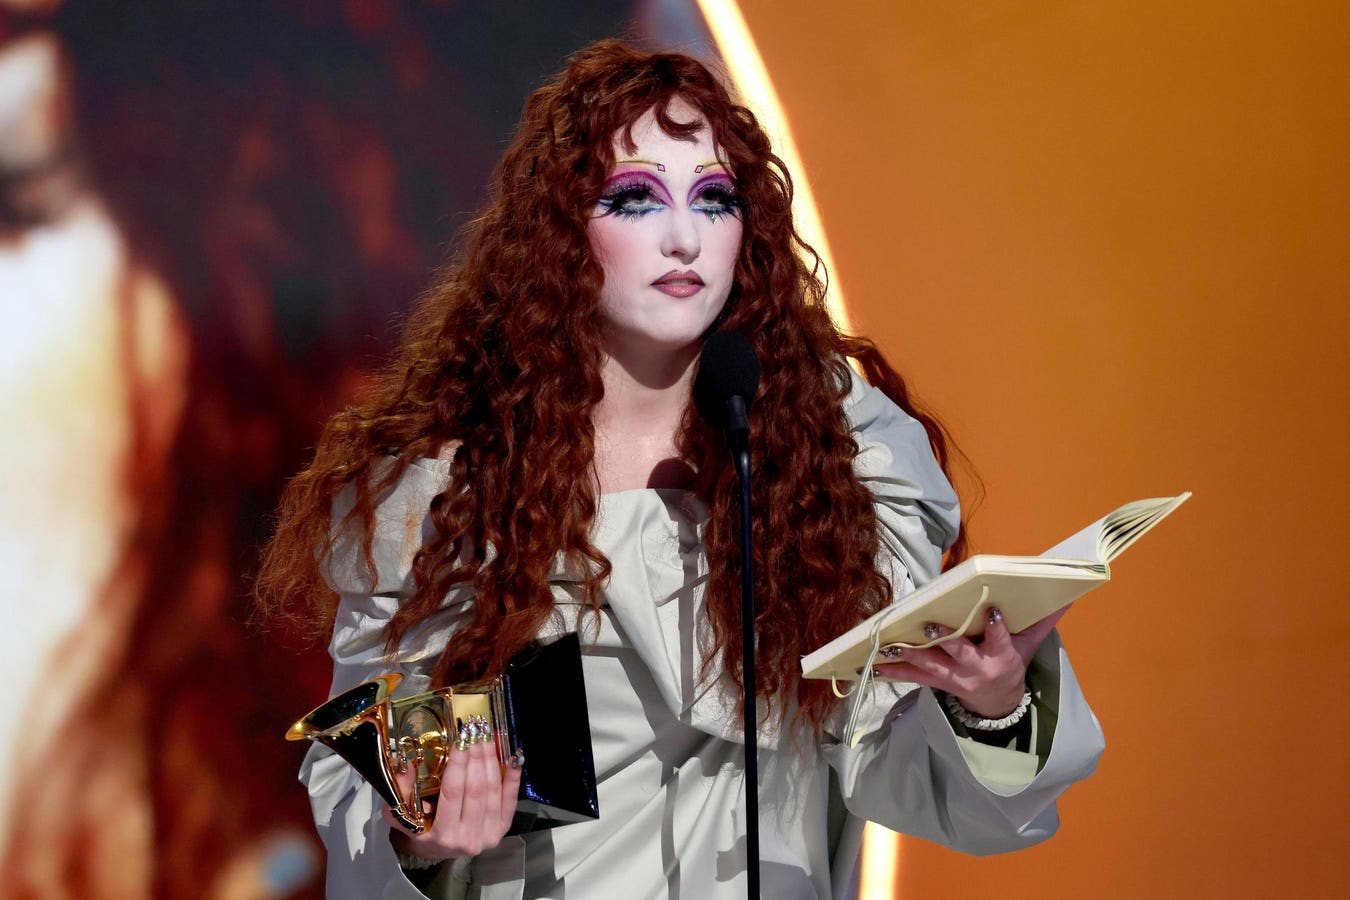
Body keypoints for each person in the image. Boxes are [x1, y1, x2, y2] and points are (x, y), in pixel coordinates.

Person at [258, 40, 1105, 900]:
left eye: (714, 198)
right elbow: (358, 802)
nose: (684, 238)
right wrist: (421, 836)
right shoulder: (446, 498)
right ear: (558, 232)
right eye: (634, 198)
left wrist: (993, 704)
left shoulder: (833, 460)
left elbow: (902, 768)